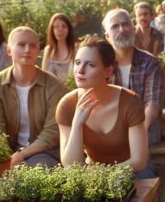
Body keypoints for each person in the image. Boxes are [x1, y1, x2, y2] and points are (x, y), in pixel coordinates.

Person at [56, 36, 147, 171]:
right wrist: (77, 124)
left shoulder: (130, 102)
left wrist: (101, 176)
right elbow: (70, 167)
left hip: (130, 173)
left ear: (108, 71)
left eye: (91, 64)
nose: (80, 70)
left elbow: (139, 161)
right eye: (78, 62)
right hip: (92, 179)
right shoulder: (67, 105)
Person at [0, 26, 65, 167]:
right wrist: (4, 156)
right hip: (9, 151)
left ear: (38, 50)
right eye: (21, 45)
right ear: (9, 50)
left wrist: (22, 155)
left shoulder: (54, 86)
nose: (28, 50)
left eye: (33, 45)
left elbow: (52, 132)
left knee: (37, 169)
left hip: (45, 152)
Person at [103, 8, 163, 146]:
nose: (122, 30)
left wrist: (138, 132)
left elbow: (153, 103)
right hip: (109, 131)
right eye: (115, 26)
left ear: (133, 28)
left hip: (145, 131)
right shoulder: (102, 64)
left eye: (125, 24)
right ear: (107, 36)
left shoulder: (150, 62)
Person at [41, 13, 76, 82]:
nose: (60, 29)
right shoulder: (48, 50)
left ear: (69, 29)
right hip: (50, 91)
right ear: (51, 30)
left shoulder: (75, 50)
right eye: (56, 27)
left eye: (64, 26)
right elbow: (43, 76)